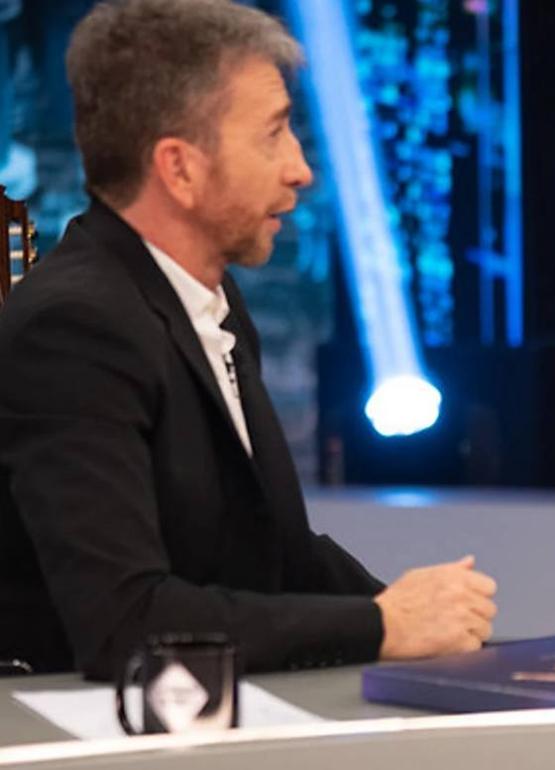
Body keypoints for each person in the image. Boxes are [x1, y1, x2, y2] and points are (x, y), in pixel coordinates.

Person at [0, 0, 496, 679]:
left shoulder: (208, 299)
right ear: (179, 168)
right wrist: (384, 624)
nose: (300, 168)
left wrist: (431, 629)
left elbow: (277, 551)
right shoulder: (72, 331)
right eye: (273, 134)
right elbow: (126, 623)